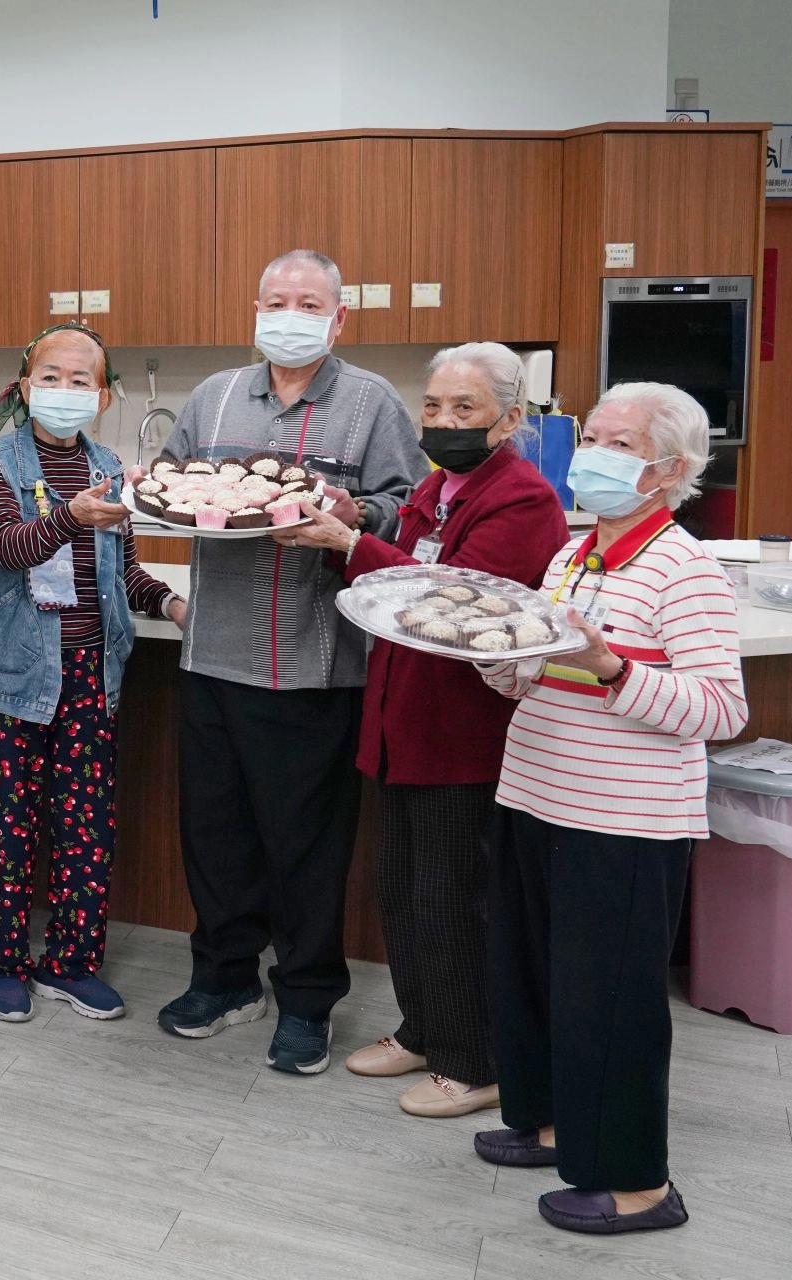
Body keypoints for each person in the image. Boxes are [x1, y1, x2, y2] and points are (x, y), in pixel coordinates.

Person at [473, 382, 745, 1235]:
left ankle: (637, 1186)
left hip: (624, 821)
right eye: (590, 435)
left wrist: (615, 670)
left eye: (618, 444)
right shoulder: (572, 557)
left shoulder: (686, 567)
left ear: (669, 470)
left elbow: (720, 710)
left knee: (612, 1002)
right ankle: (555, 1128)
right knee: (537, 978)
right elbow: (537, 674)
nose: (592, 453)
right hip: (536, 794)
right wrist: (492, 657)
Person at [154, 248, 426, 1073]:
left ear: (339, 318)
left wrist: (352, 514)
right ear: (255, 307)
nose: (291, 314)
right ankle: (225, 979)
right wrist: (147, 490)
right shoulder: (216, 395)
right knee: (216, 835)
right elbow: (167, 482)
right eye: (278, 299)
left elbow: (407, 509)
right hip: (211, 654)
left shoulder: (372, 402)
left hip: (314, 663)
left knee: (305, 847)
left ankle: (306, 999)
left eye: (310, 302)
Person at [283, 342, 568, 1116]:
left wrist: (351, 546)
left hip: (461, 736)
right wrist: (351, 524)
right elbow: (402, 566)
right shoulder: (436, 486)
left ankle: (475, 1059)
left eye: (464, 409)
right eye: (434, 407)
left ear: (509, 419)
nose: (442, 421)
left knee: (453, 897)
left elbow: (454, 604)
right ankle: (424, 1029)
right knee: (403, 892)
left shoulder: (522, 500)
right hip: (399, 723)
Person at [0, 323, 184, 1023]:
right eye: (50, 378)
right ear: (27, 388)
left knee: (87, 823)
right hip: (9, 675)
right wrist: (71, 515)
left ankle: (72, 963)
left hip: (91, 672)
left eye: (80, 380)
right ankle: (5, 962)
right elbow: (8, 545)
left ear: (105, 395)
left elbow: (124, 572)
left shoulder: (110, 467)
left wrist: (171, 602)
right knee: (7, 825)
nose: (64, 391)